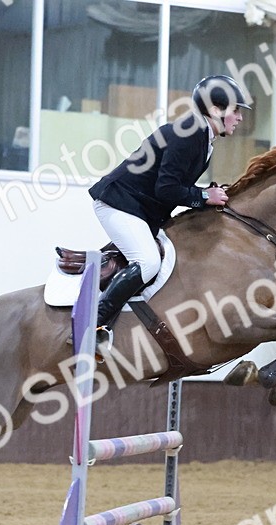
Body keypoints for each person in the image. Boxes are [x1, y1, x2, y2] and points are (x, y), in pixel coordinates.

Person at [88, 74, 250, 346]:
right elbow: (166, 188)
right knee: (148, 261)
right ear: (215, 110)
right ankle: (94, 325)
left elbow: (171, 185)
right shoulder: (190, 132)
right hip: (119, 203)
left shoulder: (202, 136)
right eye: (235, 110)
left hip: (138, 207)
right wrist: (202, 195)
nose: (240, 118)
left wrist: (204, 193)